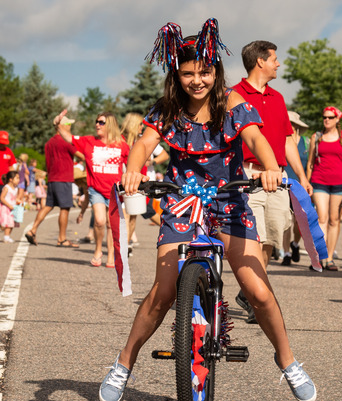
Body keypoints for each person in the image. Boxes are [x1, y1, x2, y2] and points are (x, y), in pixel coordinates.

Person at [99, 19, 316, 401]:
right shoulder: (167, 108)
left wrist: (270, 169)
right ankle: (123, 364)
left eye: (205, 71)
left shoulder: (231, 102)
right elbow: (144, 143)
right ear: (176, 75)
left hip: (230, 201)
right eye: (187, 73)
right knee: (163, 292)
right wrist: (133, 171)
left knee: (259, 292)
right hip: (183, 203)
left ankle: (288, 361)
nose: (197, 80)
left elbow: (256, 138)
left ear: (215, 71)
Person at [233, 40, 313, 323]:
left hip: (277, 177)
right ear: (260, 62)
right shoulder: (235, 95)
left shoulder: (278, 98)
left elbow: (288, 140)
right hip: (248, 174)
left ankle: (250, 292)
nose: (278, 64)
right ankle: (258, 296)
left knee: (271, 238)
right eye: (274, 59)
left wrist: (301, 177)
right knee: (254, 238)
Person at [53, 111, 130, 268]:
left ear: (110, 125)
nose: (97, 125)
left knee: (110, 224)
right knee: (100, 221)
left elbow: (132, 162)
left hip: (114, 191)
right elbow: (68, 137)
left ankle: (110, 255)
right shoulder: (89, 141)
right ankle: (97, 250)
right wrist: (57, 124)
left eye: (101, 122)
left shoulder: (121, 144)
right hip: (96, 189)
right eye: (97, 121)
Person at [306, 106, 342, 271]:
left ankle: (329, 258)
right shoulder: (317, 137)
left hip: (339, 183)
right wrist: (306, 183)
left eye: (330, 117)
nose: (326, 120)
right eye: (324, 117)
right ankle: (320, 257)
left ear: (337, 119)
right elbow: (310, 164)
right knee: (322, 218)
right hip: (319, 181)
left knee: (334, 219)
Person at [25, 116, 83, 248]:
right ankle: (62, 239)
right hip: (63, 179)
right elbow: (81, 155)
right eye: (68, 124)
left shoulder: (49, 142)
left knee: (48, 206)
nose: (70, 126)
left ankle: (32, 230)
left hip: (52, 178)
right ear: (62, 126)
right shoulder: (66, 141)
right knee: (65, 208)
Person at [121, 113, 169, 255]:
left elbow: (165, 155)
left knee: (135, 214)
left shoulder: (144, 141)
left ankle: (126, 245)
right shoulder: (122, 141)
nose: (142, 127)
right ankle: (125, 245)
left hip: (143, 183)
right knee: (133, 214)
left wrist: (152, 161)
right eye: (140, 124)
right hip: (125, 181)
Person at [281, 111, 310, 266]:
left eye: (292, 124)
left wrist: (308, 181)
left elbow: (310, 164)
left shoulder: (306, 143)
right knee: (286, 221)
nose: (289, 126)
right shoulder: (280, 141)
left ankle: (295, 244)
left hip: (300, 185)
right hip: (283, 184)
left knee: (299, 221)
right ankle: (286, 253)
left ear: (297, 126)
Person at [0, 171, 20, 243]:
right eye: (17, 178)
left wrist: (18, 201)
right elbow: (2, 198)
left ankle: (8, 236)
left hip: (12, 208)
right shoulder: (6, 188)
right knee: (8, 223)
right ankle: (6, 237)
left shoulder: (16, 188)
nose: (19, 180)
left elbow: (15, 198)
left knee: (12, 223)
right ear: (10, 179)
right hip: (6, 208)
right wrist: (9, 205)